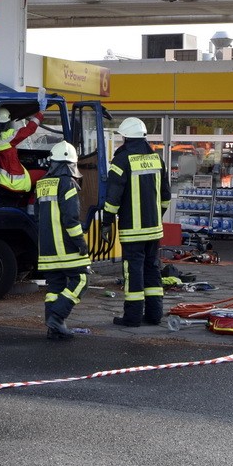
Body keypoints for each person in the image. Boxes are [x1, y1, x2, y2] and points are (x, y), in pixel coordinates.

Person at [100, 117, 171, 327]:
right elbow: (166, 196)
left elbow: (113, 197)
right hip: (154, 230)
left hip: (132, 231)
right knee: (152, 270)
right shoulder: (157, 160)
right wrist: (155, 217)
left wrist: (106, 222)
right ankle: (154, 315)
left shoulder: (121, 161)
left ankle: (132, 317)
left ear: (125, 137)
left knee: (133, 272)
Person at [36, 141, 91, 340]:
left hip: (47, 248)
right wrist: (80, 243)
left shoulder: (42, 183)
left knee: (54, 287)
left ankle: (54, 328)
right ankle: (58, 318)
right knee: (82, 279)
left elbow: (37, 216)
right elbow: (71, 218)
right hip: (66, 248)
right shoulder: (68, 183)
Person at [0, 107, 43, 195]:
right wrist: (40, 113)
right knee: (47, 176)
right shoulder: (6, 139)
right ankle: (32, 204)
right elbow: (29, 130)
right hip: (16, 182)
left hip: (4, 179)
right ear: (7, 123)